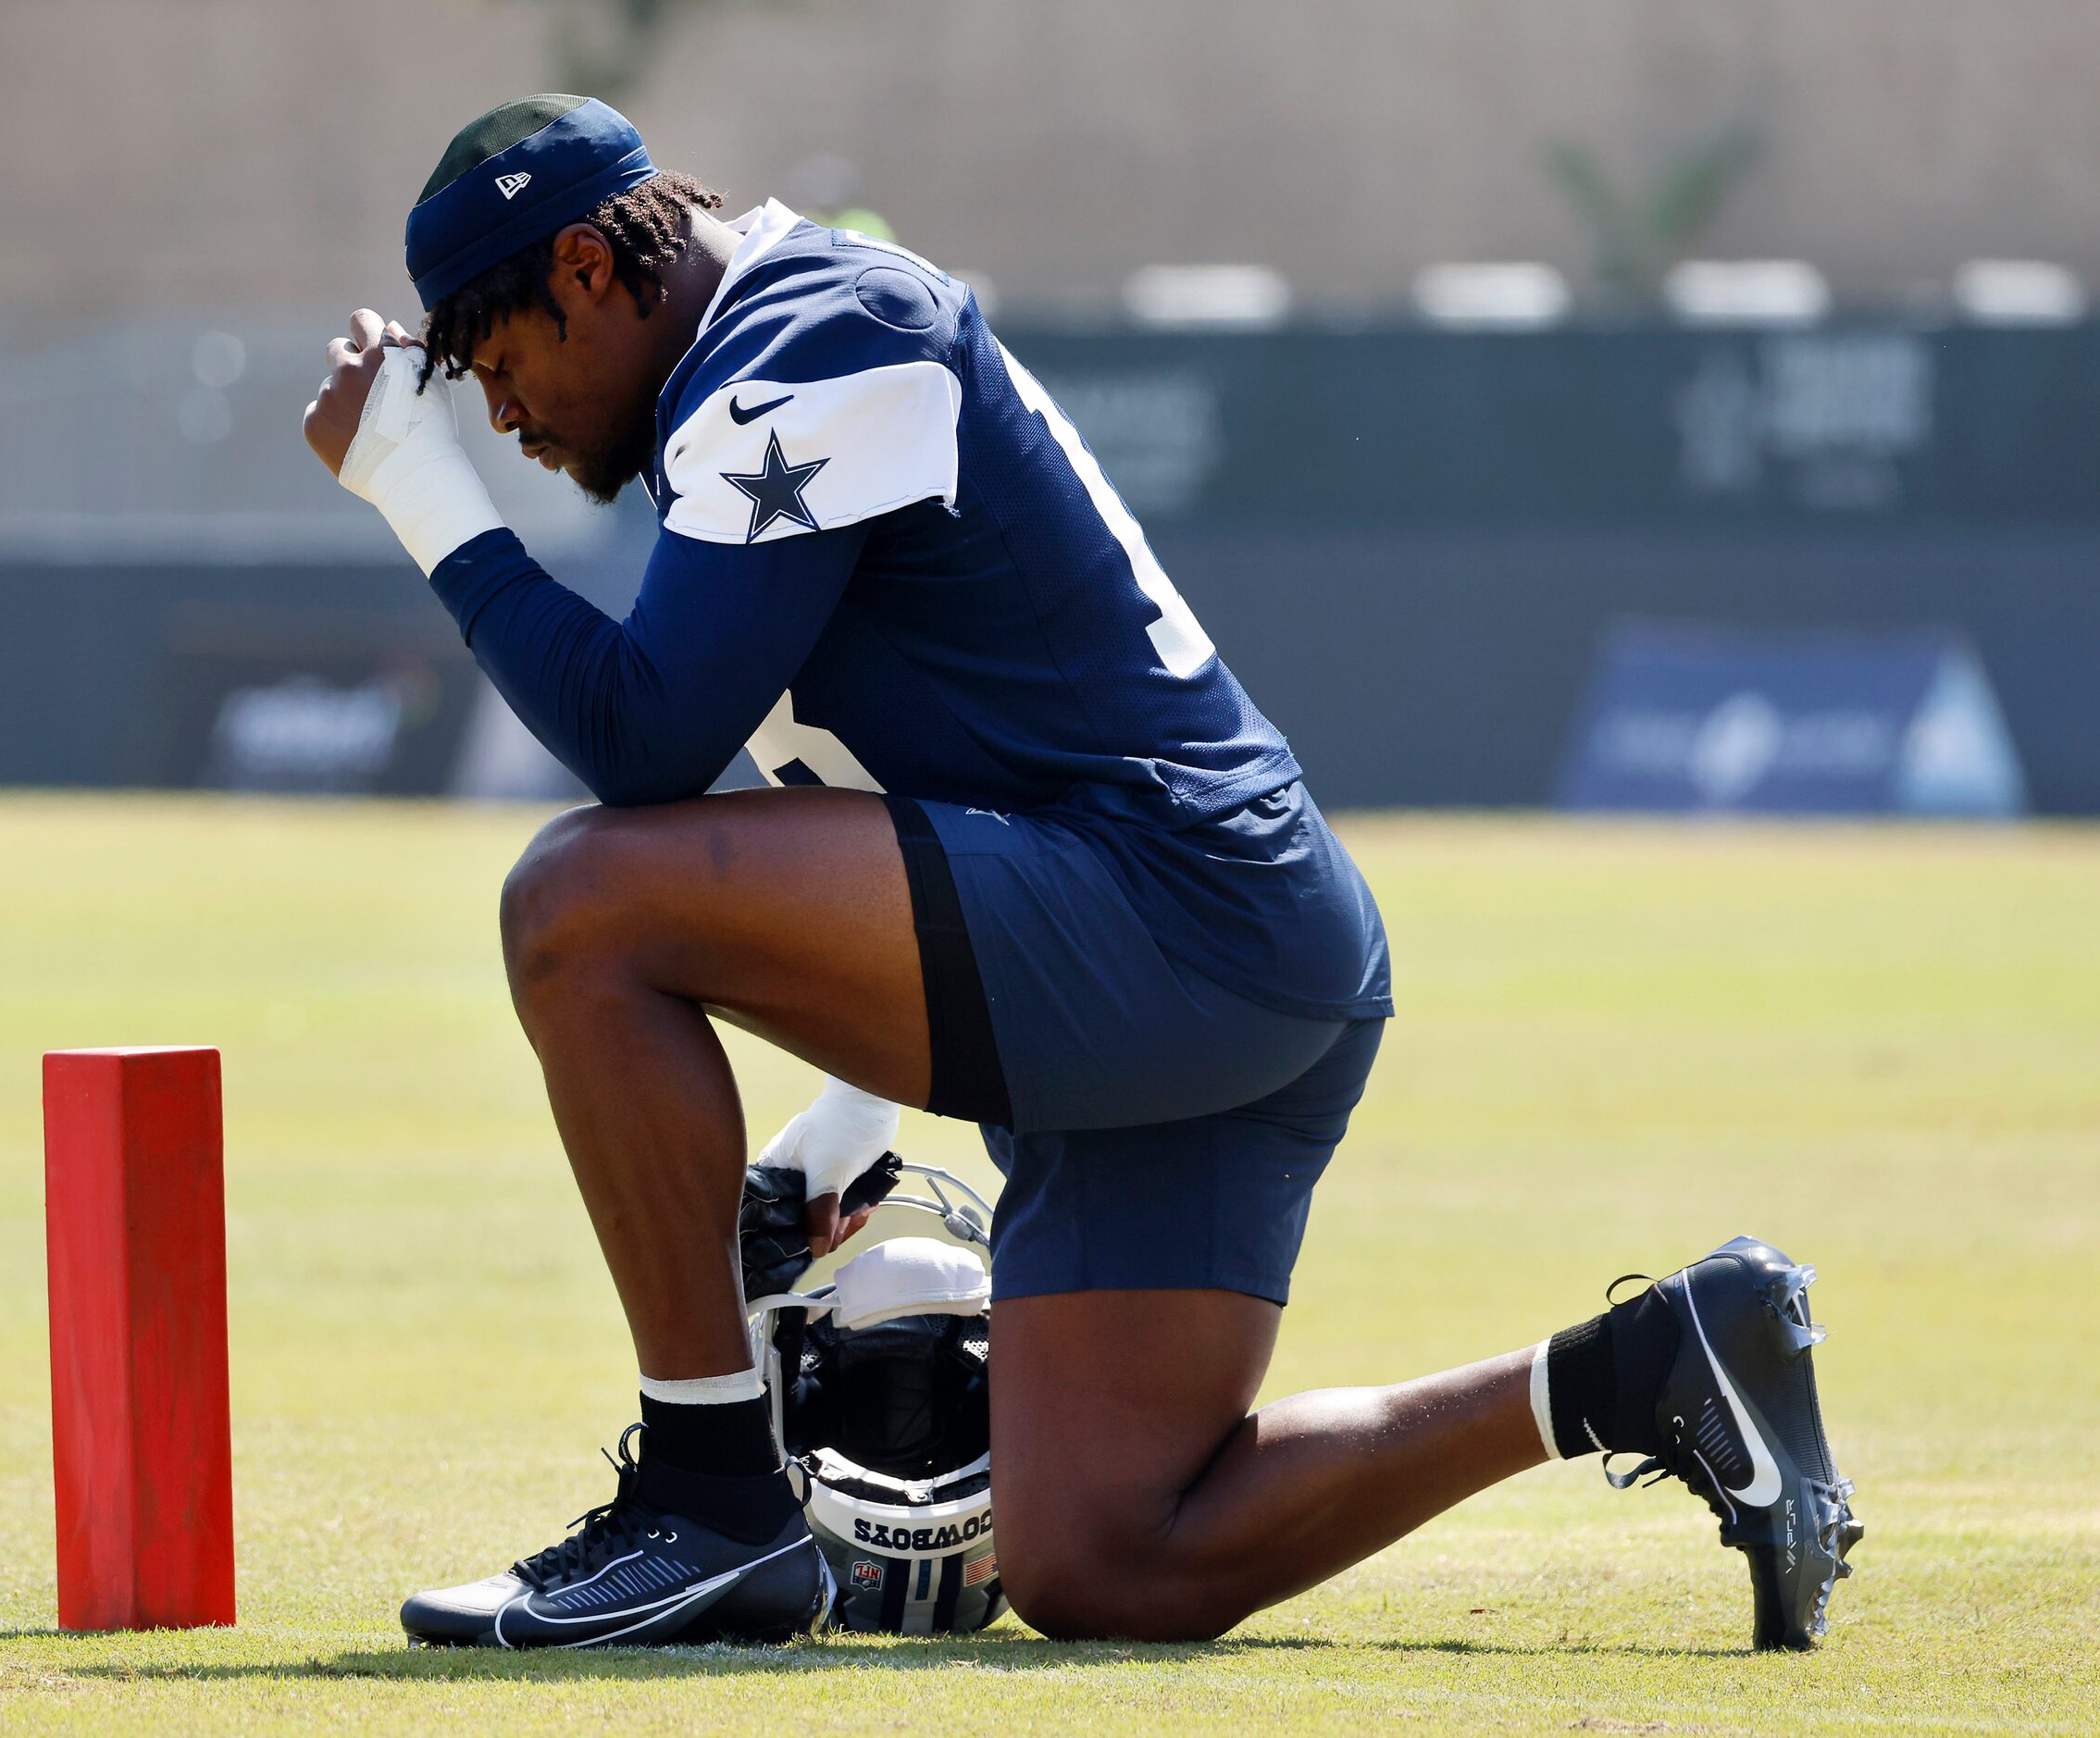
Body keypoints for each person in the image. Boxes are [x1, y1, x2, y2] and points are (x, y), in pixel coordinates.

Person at [302, 93, 1859, 1651]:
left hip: (1174, 908)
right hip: (1210, 943)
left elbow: (644, 743)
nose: (505, 419)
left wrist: (422, 497)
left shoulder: (813, 327)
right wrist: (854, 1104)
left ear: (588, 265)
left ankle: (708, 1500)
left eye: (504, 371)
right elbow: (870, 760)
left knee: (577, 908)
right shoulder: (764, 350)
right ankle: (1650, 1364)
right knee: (1107, 1556)